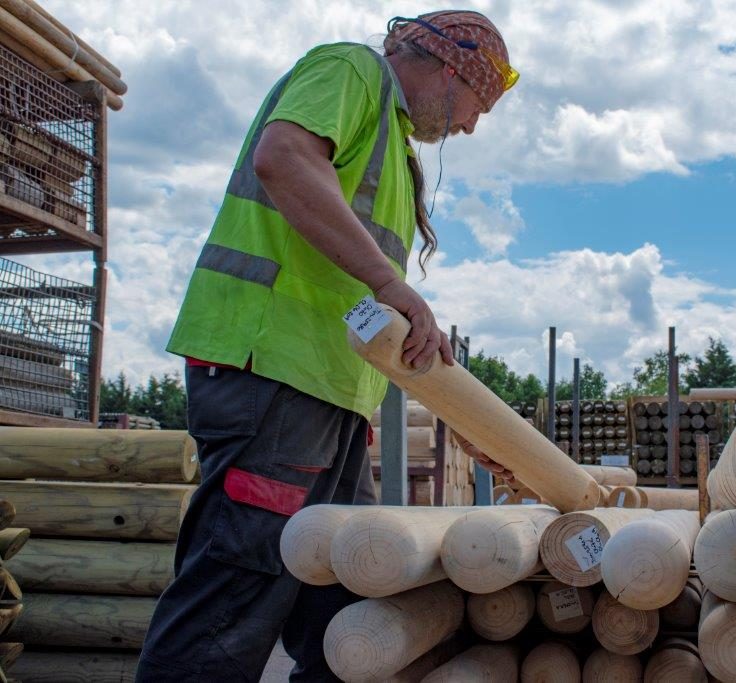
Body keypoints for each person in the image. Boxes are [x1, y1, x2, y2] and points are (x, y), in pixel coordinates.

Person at [137, 10, 517, 681]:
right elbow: (283, 158)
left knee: (343, 607)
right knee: (236, 594)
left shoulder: (391, 146)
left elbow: (382, 314)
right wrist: (387, 281)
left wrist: (474, 427)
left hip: (323, 395)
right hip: (272, 375)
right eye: (474, 107)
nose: (467, 128)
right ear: (450, 71)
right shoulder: (350, 71)